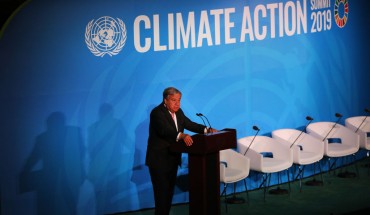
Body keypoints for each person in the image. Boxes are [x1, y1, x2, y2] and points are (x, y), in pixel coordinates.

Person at [145, 87, 217, 215]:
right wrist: (182, 135)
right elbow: (165, 131)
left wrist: (207, 130)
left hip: (173, 159)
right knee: (161, 196)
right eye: (174, 100)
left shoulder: (179, 112)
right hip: (159, 161)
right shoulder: (157, 113)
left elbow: (189, 124)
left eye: (179, 100)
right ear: (165, 100)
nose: (177, 103)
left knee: (168, 195)